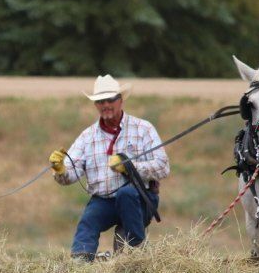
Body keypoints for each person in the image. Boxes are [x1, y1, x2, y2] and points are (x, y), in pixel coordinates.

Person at [49, 74, 170, 261]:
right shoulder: (87, 137)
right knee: (88, 221)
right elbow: (70, 176)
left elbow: (163, 167)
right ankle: (79, 263)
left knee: (126, 198)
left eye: (110, 99)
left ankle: (136, 257)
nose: (105, 104)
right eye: (100, 101)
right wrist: (60, 170)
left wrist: (130, 166)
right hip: (103, 201)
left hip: (140, 199)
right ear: (95, 105)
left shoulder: (143, 128)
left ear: (120, 100)